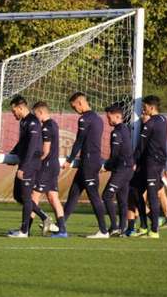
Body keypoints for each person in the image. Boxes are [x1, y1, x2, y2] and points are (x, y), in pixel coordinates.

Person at [62, 92, 109, 238]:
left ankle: (103, 230)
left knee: (94, 196)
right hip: (90, 161)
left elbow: (79, 141)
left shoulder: (84, 119)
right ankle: (60, 225)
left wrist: (69, 160)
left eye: (74, 106)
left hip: (88, 162)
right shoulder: (97, 118)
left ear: (80, 103)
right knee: (73, 194)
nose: (74, 110)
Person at [133, 95, 167, 239]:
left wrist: (132, 162)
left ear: (151, 107)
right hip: (149, 163)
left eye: (145, 107)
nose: (143, 109)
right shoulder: (163, 119)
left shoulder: (151, 123)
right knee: (134, 190)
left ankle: (154, 231)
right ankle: (143, 226)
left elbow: (141, 147)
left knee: (152, 195)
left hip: (153, 163)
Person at [30, 101, 67, 238]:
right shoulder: (54, 124)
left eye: (35, 115)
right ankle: (62, 230)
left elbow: (45, 151)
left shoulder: (46, 127)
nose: (35, 118)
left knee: (34, 196)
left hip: (46, 166)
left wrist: (33, 162)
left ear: (40, 112)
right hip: (54, 165)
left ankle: (25, 228)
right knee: (53, 197)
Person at [7, 96, 42, 238]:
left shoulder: (33, 122)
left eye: (13, 111)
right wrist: (12, 153)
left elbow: (32, 147)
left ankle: (24, 231)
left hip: (30, 164)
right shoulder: (24, 122)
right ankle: (44, 217)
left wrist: (24, 167)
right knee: (18, 195)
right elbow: (22, 143)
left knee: (26, 197)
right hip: (24, 163)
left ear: (20, 107)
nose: (13, 114)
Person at [102, 103, 134, 237]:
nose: (108, 120)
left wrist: (106, 166)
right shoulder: (126, 129)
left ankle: (115, 227)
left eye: (109, 118)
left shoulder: (116, 132)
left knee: (106, 195)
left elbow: (114, 155)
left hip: (121, 169)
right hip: (128, 169)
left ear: (118, 116)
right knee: (122, 199)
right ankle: (122, 228)